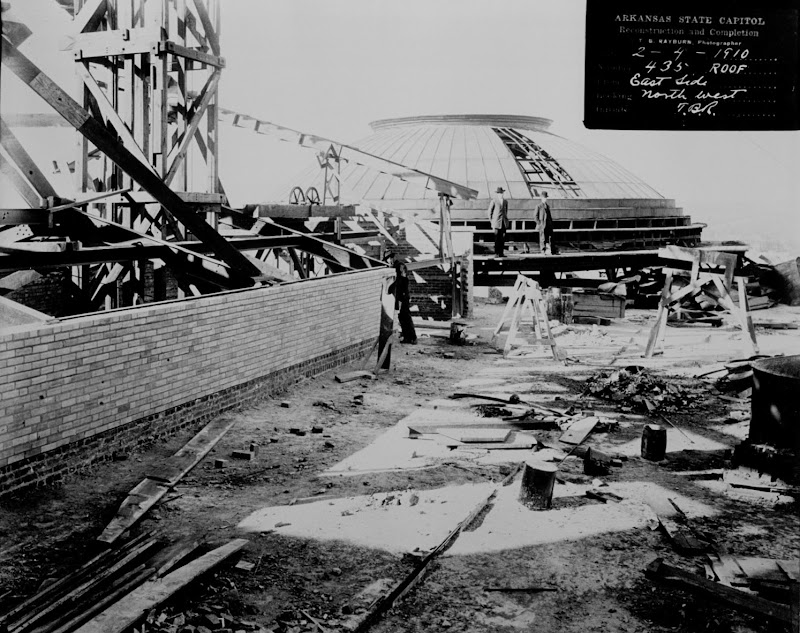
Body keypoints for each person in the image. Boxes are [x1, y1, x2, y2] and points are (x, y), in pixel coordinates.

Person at [389, 261, 417, 344]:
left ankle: (412, 337)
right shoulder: (402, 279)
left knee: (406, 319)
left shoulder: (402, 280)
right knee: (403, 319)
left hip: (403, 301)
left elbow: (401, 292)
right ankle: (408, 337)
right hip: (403, 300)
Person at [487, 186, 510, 258]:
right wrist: (492, 222)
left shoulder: (505, 201)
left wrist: (506, 220)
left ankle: (501, 252)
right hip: (496, 222)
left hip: (504, 222)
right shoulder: (494, 201)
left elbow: (506, 211)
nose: (501, 194)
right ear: (497, 194)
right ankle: (496, 253)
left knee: (503, 238)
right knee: (497, 238)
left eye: (502, 193)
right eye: (499, 193)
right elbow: (489, 212)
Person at [535, 190, 554, 254]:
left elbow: (549, 216)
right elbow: (535, 216)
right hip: (542, 224)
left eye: (546, 198)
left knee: (548, 238)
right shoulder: (538, 206)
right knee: (542, 238)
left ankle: (548, 250)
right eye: (544, 198)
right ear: (541, 198)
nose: (545, 199)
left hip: (548, 225)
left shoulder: (547, 206)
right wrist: (539, 224)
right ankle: (542, 250)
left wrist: (551, 224)